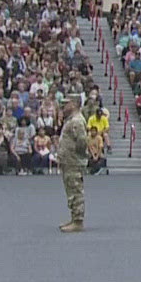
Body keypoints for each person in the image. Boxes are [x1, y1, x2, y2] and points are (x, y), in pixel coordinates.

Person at [56, 97, 89, 233]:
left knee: (75, 190)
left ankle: (78, 221)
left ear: (74, 104)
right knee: (71, 190)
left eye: (67, 103)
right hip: (69, 161)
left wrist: (76, 155)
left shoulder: (76, 121)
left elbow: (82, 142)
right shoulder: (71, 119)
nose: (63, 106)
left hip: (73, 161)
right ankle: (74, 217)